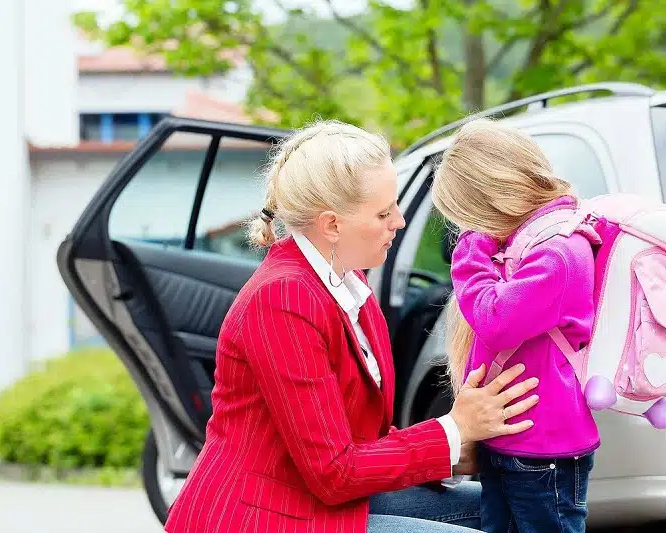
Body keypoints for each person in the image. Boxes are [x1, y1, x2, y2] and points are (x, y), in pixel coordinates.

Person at [163, 119, 541, 533]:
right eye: (383, 212)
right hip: (265, 518)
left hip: (316, 499)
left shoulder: (348, 281)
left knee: (516, 508)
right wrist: (451, 430)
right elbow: (334, 471)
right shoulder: (282, 299)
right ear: (331, 225)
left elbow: (356, 439)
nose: (398, 221)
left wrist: (456, 449)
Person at [431, 118, 601, 533]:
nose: (466, 230)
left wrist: (470, 248)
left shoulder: (558, 253)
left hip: (543, 450)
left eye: (467, 217)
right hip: (513, 438)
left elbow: (496, 321)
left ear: (488, 202)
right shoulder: (528, 247)